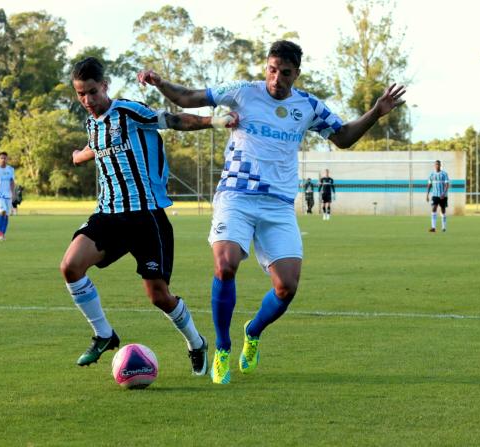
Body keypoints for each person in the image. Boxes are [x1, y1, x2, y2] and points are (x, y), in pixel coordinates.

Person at [138, 40, 406, 384]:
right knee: (225, 264)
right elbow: (189, 97)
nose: (277, 78)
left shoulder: (307, 106)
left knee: (286, 288)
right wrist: (161, 83)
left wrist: (376, 112)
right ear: (267, 66)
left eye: (285, 72)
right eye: (272, 69)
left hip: (278, 204)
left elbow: (342, 137)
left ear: (297, 73)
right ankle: (222, 348)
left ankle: (253, 331)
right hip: (236, 195)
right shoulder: (243, 93)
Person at [62, 57, 236, 375]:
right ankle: (103, 334)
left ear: (104, 86)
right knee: (70, 267)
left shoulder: (129, 111)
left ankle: (196, 342)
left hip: (146, 217)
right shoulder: (91, 123)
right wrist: (79, 156)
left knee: (159, 296)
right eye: (80, 94)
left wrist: (212, 121)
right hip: (109, 214)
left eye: (91, 92)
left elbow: (173, 120)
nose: (87, 100)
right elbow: (96, 145)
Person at [426, 159, 450, 232]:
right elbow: (429, 185)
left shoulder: (444, 174)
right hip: (435, 195)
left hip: (443, 195)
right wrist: (427, 194)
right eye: (436, 164)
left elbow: (447, 185)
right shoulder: (431, 174)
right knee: (434, 208)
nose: (437, 166)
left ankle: (444, 227)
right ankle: (433, 228)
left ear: (440, 165)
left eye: (438, 164)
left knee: (443, 210)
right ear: (434, 165)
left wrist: (444, 193)